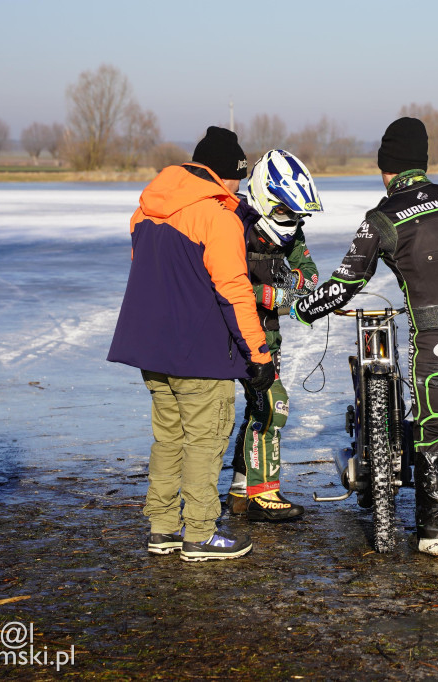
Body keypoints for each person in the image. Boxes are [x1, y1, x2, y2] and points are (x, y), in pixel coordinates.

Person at [292, 118, 438, 556]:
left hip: (434, 343)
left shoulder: (380, 219)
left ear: (386, 170)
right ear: (423, 162)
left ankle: (434, 535)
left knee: (432, 433)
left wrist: (305, 308)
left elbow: (345, 283)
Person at [107, 127, 275, 562]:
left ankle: (162, 529)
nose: (238, 186)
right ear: (224, 174)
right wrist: (257, 353)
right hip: (200, 356)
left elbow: (149, 277)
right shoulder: (216, 216)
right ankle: (199, 533)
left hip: (152, 352)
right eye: (237, 176)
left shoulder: (146, 211)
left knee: (168, 441)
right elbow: (234, 290)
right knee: (204, 441)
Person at [224, 149, 322, 521]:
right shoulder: (236, 224)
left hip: (268, 336)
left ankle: (240, 491)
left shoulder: (293, 236)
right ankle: (263, 493)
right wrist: (268, 292)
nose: (292, 220)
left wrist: (273, 292)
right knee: (270, 406)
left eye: (298, 213)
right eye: (285, 211)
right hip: (228, 337)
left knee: (258, 409)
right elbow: (223, 284)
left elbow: (309, 278)